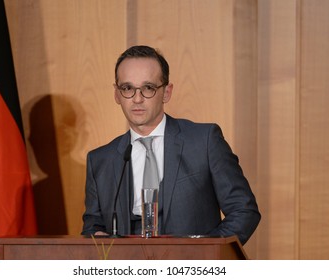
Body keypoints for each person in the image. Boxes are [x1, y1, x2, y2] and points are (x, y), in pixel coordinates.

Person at [81, 45, 260, 245]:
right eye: (128, 88)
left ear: (166, 92)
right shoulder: (100, 161)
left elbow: (244, 210)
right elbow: (93, 228)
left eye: (148, 88)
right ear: (117, 94)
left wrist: (204, 254)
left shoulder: (204, 141)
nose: (137, 99)